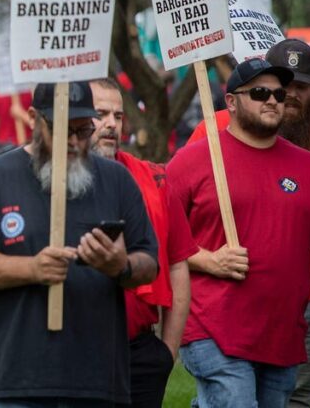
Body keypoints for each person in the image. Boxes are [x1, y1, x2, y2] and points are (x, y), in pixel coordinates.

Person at [0, 81, 159, 406]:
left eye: (83, 130)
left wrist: (121, 266)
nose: (73, 141)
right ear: (34, 118)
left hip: (96, 382)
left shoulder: (116, 180)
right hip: (13, 382)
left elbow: (149, 262)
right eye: (63, 129)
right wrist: (31, 268)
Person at [167, 59, 310, 407]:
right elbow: (157, 237)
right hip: (213, 329)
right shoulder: (193, 161)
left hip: (282, 333)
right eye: (260, 93)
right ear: (231, 102)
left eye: (279, 93)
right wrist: (208, 260)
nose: (274, 100)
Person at [89, 77, 196, 408]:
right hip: (73, 349)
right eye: (100, 114)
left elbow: (178, 261)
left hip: (141, 351)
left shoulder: (155, 179)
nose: (111, 124)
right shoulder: (51, 180)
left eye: (118, 116)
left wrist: (168, 350)